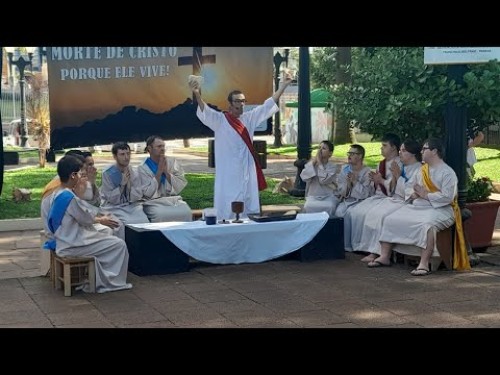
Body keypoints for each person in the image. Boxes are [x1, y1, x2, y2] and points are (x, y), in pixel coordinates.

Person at [190, 72, 293, 221]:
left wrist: (283, 85)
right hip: (228, 172)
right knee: (228, 203)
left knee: (248, 202)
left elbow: (267, 105)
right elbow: (205, 110)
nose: (242, 104)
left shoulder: (249, 119)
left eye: (243, 101)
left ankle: (249, 223)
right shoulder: (220, 120)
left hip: (247, 169)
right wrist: (197, 93)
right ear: (230, 104)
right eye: (238, 101)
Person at [367, 138, 470, 275]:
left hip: (440, 209)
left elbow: (448, 197)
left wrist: (426, 195)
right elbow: (410, 188)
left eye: (424, 149)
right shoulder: (422, 170)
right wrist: (415, 194)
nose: (421, 151)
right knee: (390, 218)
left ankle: (424, 263)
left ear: (434, 151)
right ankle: (385, 256)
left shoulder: (447, 172)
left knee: (426, 225)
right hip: (418, 206)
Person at [45, 155, 132, 293]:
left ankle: (96, 277)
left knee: (106, 235)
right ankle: (109, 282)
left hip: (64, 239)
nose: (82, 176)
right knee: (118, 244)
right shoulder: (70, 197)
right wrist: (79, 196)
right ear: (73, 175)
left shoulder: (58, 193)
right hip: (73, 244)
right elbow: (86, 218)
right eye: (80, 173)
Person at [352, 139, 422, 261]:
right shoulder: (404, 167)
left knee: (381, 217)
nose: (400, 153)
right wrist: (395, 177)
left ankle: (380, 254)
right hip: (394, 199)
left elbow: (409, 192)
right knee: (372, 214)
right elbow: (395, 187)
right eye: (400, 150)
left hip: (405, 202)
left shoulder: (419, 169)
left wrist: (398, 177)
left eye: (403, 150)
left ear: (413, 154)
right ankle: (371, 250)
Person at [344, 133, 402, 253]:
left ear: (393, 148)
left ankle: (372, 250)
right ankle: (356, 246)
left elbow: (395, 187)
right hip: (377, 197)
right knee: (353, 212)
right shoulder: (381, 163)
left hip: (388, 199)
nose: (381, 148)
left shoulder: (398, 164)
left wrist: (380, 180)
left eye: (384, 145)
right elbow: (374, 184)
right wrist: (374, 182)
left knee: (371, 216)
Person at [138, 135, 192, 222]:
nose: (162, 149)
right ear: (149, 148)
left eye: (163, 146)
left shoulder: (172, 162)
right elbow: (147, 192)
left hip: (173, 200)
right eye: (159, 146)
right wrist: (159, 172)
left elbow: (181, 182)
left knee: (186, 211)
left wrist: (166, 172)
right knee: (161, 215)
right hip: (153, 202)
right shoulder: (142, 168)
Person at [100, 142, 156, 225]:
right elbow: (110, 198)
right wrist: (122, 184)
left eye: (128, 154)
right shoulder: (108, 173)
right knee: (126, 223)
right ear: (115, 156)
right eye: (122, 154)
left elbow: (138, 194)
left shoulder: (134, 172)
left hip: (132, 205)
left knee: (143, 220)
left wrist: (130, 184)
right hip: (113, 207)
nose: (126, 157)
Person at [300, 140, 340, 216]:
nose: (320, 150)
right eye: (319, 148)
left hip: (328, 197)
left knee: (330, 207)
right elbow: (304, 178)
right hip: (313, 197)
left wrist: (320, 164)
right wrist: (312, 164)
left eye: (324, 148)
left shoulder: (332, 167)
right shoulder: (312, 164)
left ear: (330, 153)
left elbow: (323, 180)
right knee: (307, 206)